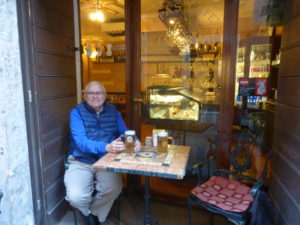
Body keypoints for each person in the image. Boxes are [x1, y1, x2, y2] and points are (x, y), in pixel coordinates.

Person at [64, 81, 141, 225]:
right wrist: (107, 147)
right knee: (75, 196)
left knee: (113, 188)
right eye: (90, 93)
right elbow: (81, 142)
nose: (94, 96)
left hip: (106, 161)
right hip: (80, 161)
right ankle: (88, 216)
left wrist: (136, 141)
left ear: (105, 95)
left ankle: (94, 214)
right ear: (85, 96)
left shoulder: (113, 111)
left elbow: (124, 132)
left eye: (98, 93)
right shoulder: (76, 112)